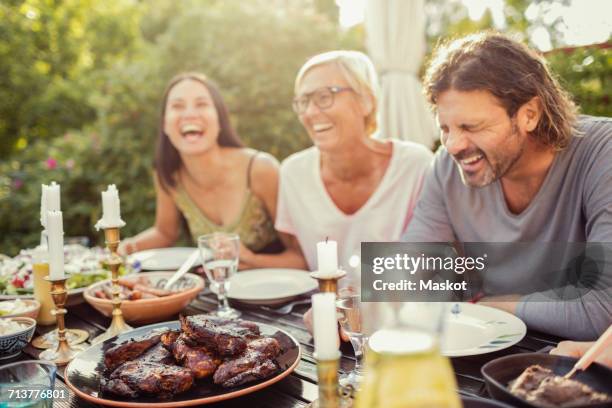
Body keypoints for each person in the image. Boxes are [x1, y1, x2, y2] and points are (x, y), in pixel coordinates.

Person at [402, 32, 612, 340]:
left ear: (529, 114)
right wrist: (356, 299)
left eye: (471, 127)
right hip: (481, 352)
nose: (453, 145)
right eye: (445, 128)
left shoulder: (601, 154)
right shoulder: (446, 167)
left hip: (580, 363)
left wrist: (500, 306)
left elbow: (604, 308)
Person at [279, 51, 433, 331]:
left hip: (405, 329)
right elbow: (297, 258)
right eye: (303, 101)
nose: (311, 112)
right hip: (328, 332)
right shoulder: (292, 173)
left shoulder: (415, 164)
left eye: (325, 96)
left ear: (366, 101)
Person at [119, 72, 306, 269]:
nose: (189, 114)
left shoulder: (261, 169)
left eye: (201, 104)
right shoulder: (168, 174)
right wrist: (124, 249)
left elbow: (302, 259)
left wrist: (252, 260)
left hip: (279, 293)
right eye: (177, 106)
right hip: (215, 294)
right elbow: (165, 233)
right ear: (165, 124)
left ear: (219, 119)